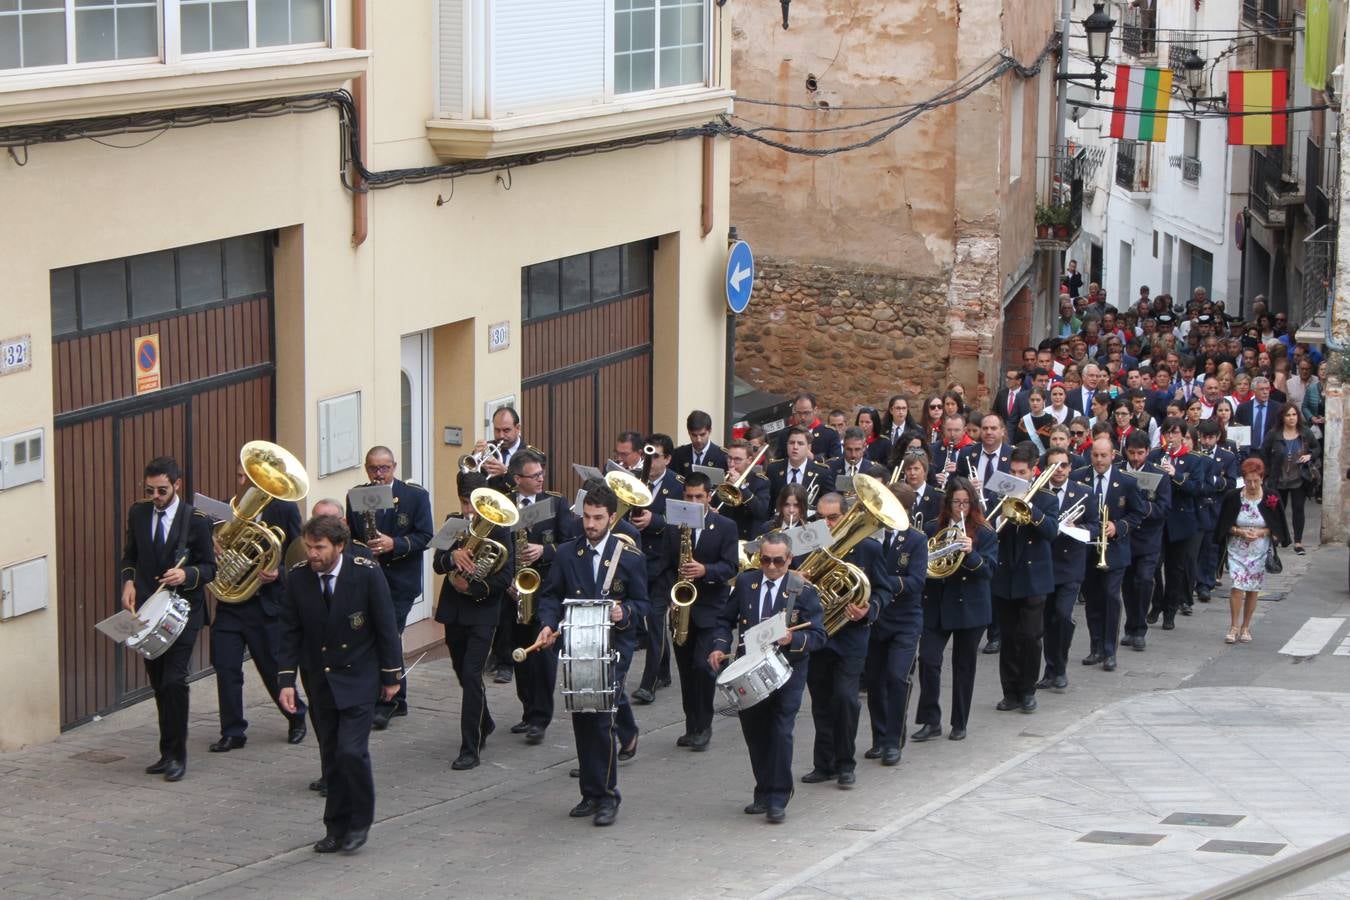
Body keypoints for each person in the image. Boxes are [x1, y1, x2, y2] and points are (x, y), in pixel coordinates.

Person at [278, 514, 402, 854]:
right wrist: (286, 680)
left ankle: (360, 821)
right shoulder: (300, 578)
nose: (313, 554)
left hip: (359, 676)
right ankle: (335, 826)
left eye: (319, 547)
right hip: (320, 678)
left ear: (339, 546)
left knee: (352, 751)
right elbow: (289, 631)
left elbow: (385, 625)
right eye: (309, 547)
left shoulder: (365, 572)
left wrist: (392, 675)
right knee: (331, 755)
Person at [535, 483, 649, 827]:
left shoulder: (628, 558)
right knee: (582, 717)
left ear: (612, 518)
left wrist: (624, 613)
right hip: (577, 646)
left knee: (602, 720)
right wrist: (546, 623)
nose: (590, 524)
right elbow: (551, 596)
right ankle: (589, 791)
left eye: (598, 518)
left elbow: (643, 604)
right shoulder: (569, 554)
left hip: (614, 647)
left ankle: (607, 796)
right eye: (586, 517)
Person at [710, 532, 827, 823]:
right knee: (755, 732)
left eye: (778, 561)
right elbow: (724, 620)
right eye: (765, 560)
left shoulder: (803, 591)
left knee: (780, 731)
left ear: (789, 560)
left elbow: (819, 635)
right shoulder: (746, 583)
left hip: (788, 670)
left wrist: (792, 640)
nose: (771, 566)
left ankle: (778, 796)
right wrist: (719, 646)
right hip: (748, 668)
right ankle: (763, 789)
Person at [119, 456, 217, 782]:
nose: (156, 497)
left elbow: (209, 568)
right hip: (149, 610)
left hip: (183, 611)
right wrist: (129, 582)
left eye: (162, 490)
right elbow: (130, 555)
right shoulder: (138, 512)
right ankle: (166, 751)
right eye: (150, 491)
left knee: (175, 681)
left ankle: (178, 755)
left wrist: (185, 573)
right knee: (159, 682)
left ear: (177, 485)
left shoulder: (196, 520)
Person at [209, 463, 308, 754]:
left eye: (246, 477)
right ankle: (233, 731)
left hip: (265, 604)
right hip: (230, 603)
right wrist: (212, 544)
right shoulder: (232, 508)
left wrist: (278, 571)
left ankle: (296, 716)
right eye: (239, 476)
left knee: (272, 668)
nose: (241, 482)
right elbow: (218, 547)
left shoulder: (284, 509)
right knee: (226, 668)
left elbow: (298, 554)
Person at [802, 492, 895, 787]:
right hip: (818, 634)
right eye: (821, 517)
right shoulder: (808, 545)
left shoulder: (868, 548)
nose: (827, 524)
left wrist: (869, 609)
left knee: (844, 698)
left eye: (833, 517)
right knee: (820, 700)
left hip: (851, 636)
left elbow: (884, 590)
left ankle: (845, 763)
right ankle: (824, 763)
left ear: (847, 516)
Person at [345, 446, 433, 728]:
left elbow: (426, 537)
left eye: (384, 468)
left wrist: (394, 544)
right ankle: (392, 698)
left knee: (389, 637)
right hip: (369, 579)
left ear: (394, 467)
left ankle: (390, 701)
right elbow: (354, 538)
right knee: (376, 638)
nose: (379, 474)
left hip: (399, 582)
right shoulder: (356, 495)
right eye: (373, 468)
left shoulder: (415, 496)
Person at [433, 471, 513, 771]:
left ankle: (470, 747)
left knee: (470, 674)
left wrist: (476, 587)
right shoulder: (453, 522)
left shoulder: (501, 528)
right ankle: (486, 720)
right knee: (461, 670)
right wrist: (453, 557)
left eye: (473, 503)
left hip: (483, 611)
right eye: (465, 503)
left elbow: (506, 575)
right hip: (454, 610)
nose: (468, 510)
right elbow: (437, 563)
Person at [913, 478, 997, 742]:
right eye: (955, 503)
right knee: (928, 660)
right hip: (937, 603)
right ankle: (930, 720)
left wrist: (971, 553)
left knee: (964, 665)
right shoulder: (930, 528)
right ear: (947, 504)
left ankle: (959, 721)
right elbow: (922, 566)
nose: (960, 508)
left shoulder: (984, 532)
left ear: (972, 504)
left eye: (965, 503)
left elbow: (988, 571)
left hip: (969, 606)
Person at [660, 472, 738, 752]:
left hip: (711, 610)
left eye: (698, 497)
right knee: (686, 671)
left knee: (703, 668)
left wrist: (706, 570)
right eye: (688, 497)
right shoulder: (674, 526)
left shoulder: (726, 526)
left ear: (709, 496)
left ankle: (704, 726)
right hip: (682, 610)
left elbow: (731, 567)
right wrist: (671, 594)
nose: (693, 502)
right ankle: (691, 725)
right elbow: (666, 565)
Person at [505, 449, 578, 741]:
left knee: (544, 655)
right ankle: (527, 710)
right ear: (517, 479)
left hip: (546, 588)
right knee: (521, 655)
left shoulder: (556, 502)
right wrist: (508, 577)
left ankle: (540, 718)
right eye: (534, 476)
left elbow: (570, 543)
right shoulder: (505, 505)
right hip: (515, 591)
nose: (540, 479)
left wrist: (544, 551)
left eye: (541, 474)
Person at [863, 483, 928, 764]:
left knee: (896, 677)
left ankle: (893, 740)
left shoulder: (916, 539)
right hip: (877, 618)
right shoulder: (870, 536)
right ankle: (879, 737)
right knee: (874, 681)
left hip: (904, 620)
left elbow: (916, 581)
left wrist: (878, 583)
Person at [991, 444, 1058, 714]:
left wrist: (1030, 509)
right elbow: (990, 528)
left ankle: (1028, 690)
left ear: (1033, 472)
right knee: (1008, 637)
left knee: (1030, 637)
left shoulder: (1046, 498)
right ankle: (1010, 692)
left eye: (1022, 472)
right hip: (1006, 574)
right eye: (1013, 472)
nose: (1017, 477)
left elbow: (1051, 531)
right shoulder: (1000, 494)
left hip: (1033, 577)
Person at [1074, 437, 1144, 671]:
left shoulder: (1126, 482)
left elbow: (1137, 514)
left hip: (1114, 550)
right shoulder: (1079, 477)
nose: (1099, 460)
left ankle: (1110, 650)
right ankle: (1096, 647)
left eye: (1104, 456)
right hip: (1087, 548)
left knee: (1111, 598)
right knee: (1093, 599)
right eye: (1095, 455)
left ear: (1113, 455)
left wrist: (1118, 527)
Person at [1216, 459, 1290, 644]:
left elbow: (1277, 525)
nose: (1252, 485)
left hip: (1259, 549)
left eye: (1256, 481)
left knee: (1253, 588)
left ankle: (1246, 626)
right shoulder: (1233, 497)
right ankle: (1233, 626)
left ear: (1262, 479)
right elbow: (1224, 524)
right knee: (1237, 585)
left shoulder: (1270, 497)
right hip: (1237, 547)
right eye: (1248, 481)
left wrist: (1261, 532)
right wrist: (1239, 531)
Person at [1038, 447, 1091, 692]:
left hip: (1070, 565)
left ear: (1070, 468)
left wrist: (1075, 525)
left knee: (1062, 615)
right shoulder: (1038, 493)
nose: (1059, 470)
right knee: (1047, 620)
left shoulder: (1083, 492)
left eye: (1063, 465)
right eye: (1053, 465)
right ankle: (1050, 669)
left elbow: (1095, 524)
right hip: (1045, 563)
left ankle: (1060, 667)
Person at [1119, 433, 1170, 652]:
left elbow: (1164, 507)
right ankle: (1131, 625)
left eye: (1140, 453)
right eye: (1132, 453)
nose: (1136, 458)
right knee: (1128, 584)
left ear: (1148, 452)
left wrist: (1144, 508)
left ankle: (1139, 629)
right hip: (1125, 537)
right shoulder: (1118, 471)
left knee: (1144, 580)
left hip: (1149, 539)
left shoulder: (1158, 474)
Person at [1261, 405, 1319, 555]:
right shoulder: (1274, 434)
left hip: (1299, 478)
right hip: (1279, 479)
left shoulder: (1305, 432)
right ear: (1282, 417)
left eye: (1294, 414)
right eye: (1288, 415)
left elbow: (1317, 448)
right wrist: (1267, 472)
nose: (1292, 418)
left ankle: (1298, 542)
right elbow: (1264, 453)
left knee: (1298, 509)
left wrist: (1310, 455)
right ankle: (1278, 536)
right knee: (1278, 508)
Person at [766, 426, 834, 515]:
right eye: (791, 443)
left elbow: (830, 503)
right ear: (786, 445)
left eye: (800, 443)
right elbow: (769, 504)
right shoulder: (774, 469)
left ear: (809, 447)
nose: (795, 447)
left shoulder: (822, 472)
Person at [775, 392, 843, 461]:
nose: (802, 417)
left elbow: (836, 462)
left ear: (815, 410)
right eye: (798, 413)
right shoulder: (785, 433)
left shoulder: (829, 434)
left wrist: (814, 458)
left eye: (806, 413)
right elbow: (779, 461)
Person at [671, 410, 729, 477]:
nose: (699, 440)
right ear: (689, 432)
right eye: (694, 435)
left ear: (710, 431)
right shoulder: (678, 454)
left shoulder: (722, 456)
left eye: (702, 435)